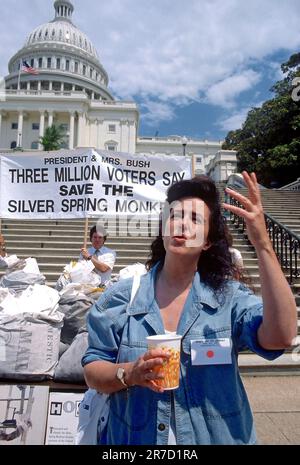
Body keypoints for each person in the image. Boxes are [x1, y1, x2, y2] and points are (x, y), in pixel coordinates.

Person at [82, 172, 297, 445]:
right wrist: (130, 374)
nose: (181, 224)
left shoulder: (228, 297)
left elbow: (281, 336)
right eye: (175, 215)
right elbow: (93, 370)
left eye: (195, 219)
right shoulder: (123, 297)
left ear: (207, 241)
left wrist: (263, 244)